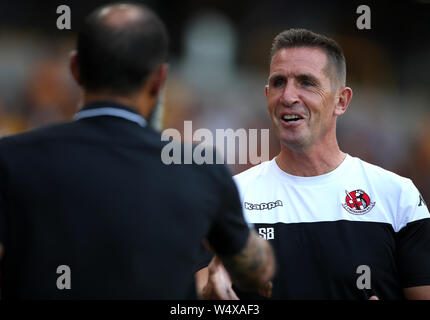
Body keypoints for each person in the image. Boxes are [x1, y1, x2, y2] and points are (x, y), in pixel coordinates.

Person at [0, 3, 275, 299]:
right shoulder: (199, 168)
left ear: (76, 70)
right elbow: (256, 270)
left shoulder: (11, 158)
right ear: (159, 80)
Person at [197, 28, 430, 300]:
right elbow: (195, 294)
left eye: (306, 82)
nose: (288, 97)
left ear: (341, 101)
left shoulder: (396, 196)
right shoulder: (229, 199)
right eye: (279, 82)